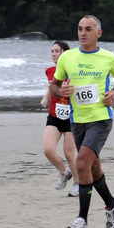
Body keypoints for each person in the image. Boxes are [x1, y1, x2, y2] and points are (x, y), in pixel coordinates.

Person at [50, 15, 114, 228]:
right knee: (93, 168)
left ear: (98, 33)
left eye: (88, 29)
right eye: (80, 29)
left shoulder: (108, 57)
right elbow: (54, 85)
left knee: (82, 164)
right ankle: (112, 204)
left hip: (101, 118)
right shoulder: (67, 58)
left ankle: (82, 220)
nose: (83, 33)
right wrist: (59, 92)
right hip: (78, 120)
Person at [41, 41, 79, 195]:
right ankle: (64, 172)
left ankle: (78, 184)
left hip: (71, 117)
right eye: (52, 51)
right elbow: (52, 86)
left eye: (57, 51)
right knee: (48, 150)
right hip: (54, 115)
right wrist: (45, 97)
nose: (53, 54)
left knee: (69, 154)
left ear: (65, 53)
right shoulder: (49, 71)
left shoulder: (73, 71)